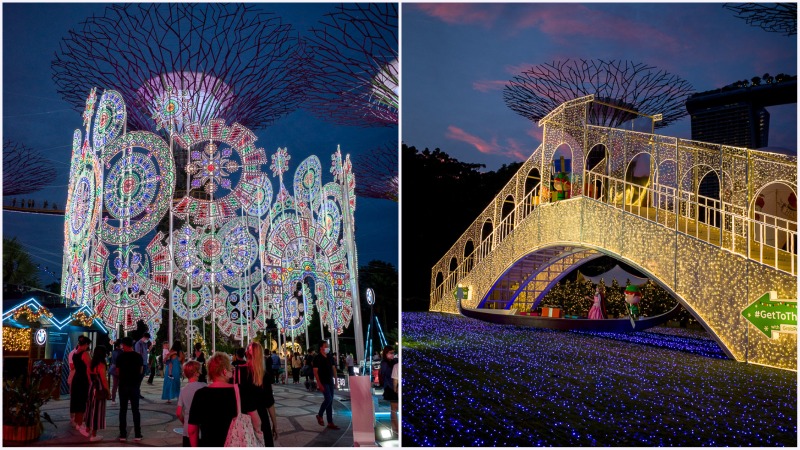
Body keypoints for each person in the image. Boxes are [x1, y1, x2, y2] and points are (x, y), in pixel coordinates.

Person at [187, 352, 261, 447]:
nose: (232, 371)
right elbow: (257, 421)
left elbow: (192, 430)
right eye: (230, 368)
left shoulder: (200, 394)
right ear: (225, 372)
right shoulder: (241, 391)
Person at [235, 342, 279, 446]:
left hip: (244, 416)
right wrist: (275, 425)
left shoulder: (239, 371)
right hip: (261, 416)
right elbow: (270, 403)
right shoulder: (264, 375)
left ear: (247, 354)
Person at [116, 337, 144, 442]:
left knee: (123, 410)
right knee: (135, 410)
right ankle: (137, 434)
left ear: (123, 344)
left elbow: (118, 371)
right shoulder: (138, 356)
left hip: (123, 385)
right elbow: (141, 371)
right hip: (134, 386)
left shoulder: (120, 356)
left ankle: (123, 434)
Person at [176, 361, 206, 447]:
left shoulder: (183, 390)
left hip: (187, 428)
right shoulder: (204, 386)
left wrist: (185, 422)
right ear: (197, 373)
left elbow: (178, 413)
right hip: (202, 427)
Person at [84, 345, 109, 442]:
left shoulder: (91, 363)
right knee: (97, 412)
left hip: (91, 389)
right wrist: (108, 391)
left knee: (90, 409)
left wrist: (92, 385)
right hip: (99, 389)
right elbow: (103, 379)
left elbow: (88, 376)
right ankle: (93, 435)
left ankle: (87, 429)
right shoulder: (101, 364)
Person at [313, 341, 339, 430]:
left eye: (328, 346)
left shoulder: (329, 356)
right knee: (328, 399)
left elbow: (334, 368)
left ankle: (330, 422)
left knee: (330, 402)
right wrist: (319, 383)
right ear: (321, 348)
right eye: (325, 346)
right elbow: (315, 372)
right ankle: (320, 415)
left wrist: (336, 380)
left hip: (330, 380)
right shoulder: (317, 358)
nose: (327, 347)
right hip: (323, 381)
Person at [70, 336, 92, 434]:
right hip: (83, 379)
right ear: (86, 344)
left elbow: (75, 366)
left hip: (76, 378)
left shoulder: (75, 353)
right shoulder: (85, 354)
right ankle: (80, 424)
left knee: (76, 400)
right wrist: (90, 381)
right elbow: (89, 368)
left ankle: (77, 422)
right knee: (82, 401)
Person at [380, 346, 399, 435]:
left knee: (395, 409)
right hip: (390, 387)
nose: (392, 354)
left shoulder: (395, 361)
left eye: (393, 352)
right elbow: (383, 374)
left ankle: (395, 428)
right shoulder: (384, 363)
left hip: (395, 387)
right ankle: (395, 428)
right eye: (390, 353)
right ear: (386, 353)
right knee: (394, 409)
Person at [134, 333, 151, 398]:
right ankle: (136, 393)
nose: (147, 340)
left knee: (140, 379)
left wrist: (149, 349)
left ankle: (137, 392)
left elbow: (146, 352)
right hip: (140, 364)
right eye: (147, 339)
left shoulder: (145, 343)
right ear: (144, 337)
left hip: (144, 363)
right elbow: (138, 354)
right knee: (138, 379)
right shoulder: (138, 344)